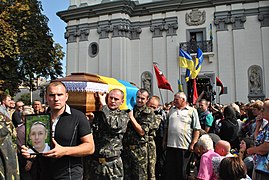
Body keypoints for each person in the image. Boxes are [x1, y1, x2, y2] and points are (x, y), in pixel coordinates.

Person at [21, 81, 95, 180]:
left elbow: (90, 147)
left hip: (69, 175)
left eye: (59, 95)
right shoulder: (38, 119)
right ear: (46, 97)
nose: (56, 99)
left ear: (66, 96)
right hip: (43, 174)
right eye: (52, 95)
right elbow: (38, 148)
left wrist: (64, 151)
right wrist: (30, 152)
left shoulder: (78, 117)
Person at [90, 89, 129, 179]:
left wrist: (104, 105)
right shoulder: (100, 114)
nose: (112, 101)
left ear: (122, 102)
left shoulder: (123, 115)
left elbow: (113, 125)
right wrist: (90, 121)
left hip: (112, 164)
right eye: (110, 98)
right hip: (95, 162)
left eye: (116, 99)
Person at [163, 92, 201, 180]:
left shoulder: (192, 111)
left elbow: (197, 129)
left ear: (183, 100)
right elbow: (166, 127)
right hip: (171, 146)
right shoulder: (171, 110)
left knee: (182, 172)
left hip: (184, 146)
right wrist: (164, 141)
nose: (174, 101)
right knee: (170, 171)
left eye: (176, 99)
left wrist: (193, 143)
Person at [122, 88, 155, 179]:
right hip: (126, 149)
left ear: (147, 99)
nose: (139, 100)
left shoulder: (149, 112)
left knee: (140, 176)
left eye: (142, 98)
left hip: (139, 151)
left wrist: (132, 118)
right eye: (138, 97)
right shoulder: (130, 109)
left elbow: (142, 132)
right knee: (126, 176)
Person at [247, 99, 269, 180]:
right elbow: (257, 140)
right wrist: (258, 125)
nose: (261, 111)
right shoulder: (266, 125)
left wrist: (253, 150)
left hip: (265, 169)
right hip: (260, 166)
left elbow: (266, 147)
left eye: (263, 109)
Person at [146, 95, 162, 180]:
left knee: (151, 170)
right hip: (140, 146)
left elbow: (151, 127)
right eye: (150, 106)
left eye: (154, 107)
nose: (151, 109)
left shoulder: (158, 116)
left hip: (150, 144)